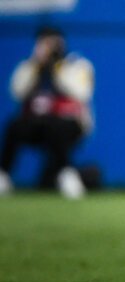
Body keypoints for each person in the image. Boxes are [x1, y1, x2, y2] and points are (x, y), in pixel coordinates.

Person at [0, 26, 93, 198]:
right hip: (36, 122)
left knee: (56, 126)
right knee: (14, 125)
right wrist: (36, 64)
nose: (48, 48)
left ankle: (67, 173)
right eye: (44, 43)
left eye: (52, 43)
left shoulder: (77, 64)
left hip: (68, 123)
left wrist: (57, 68)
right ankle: (3, 175)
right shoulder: (29, 65)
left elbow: (82, 92)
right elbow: (16, 92)